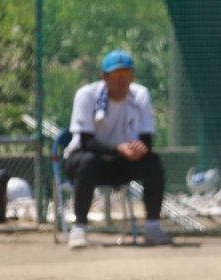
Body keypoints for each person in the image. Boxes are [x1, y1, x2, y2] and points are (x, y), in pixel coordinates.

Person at [63, 49, 170, 249]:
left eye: (126, 74)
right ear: (105, 77)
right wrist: (118, 149)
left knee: (153, 161)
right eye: (116, 74)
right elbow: (86, 141)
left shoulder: (140, 94)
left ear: (132, 76)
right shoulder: (87, 95)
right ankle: (79, 228)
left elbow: (146, 138)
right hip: (85, 162)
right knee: (87, 160)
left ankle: (153, 227)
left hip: (122, 163)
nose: (122, 79)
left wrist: (139, 149)